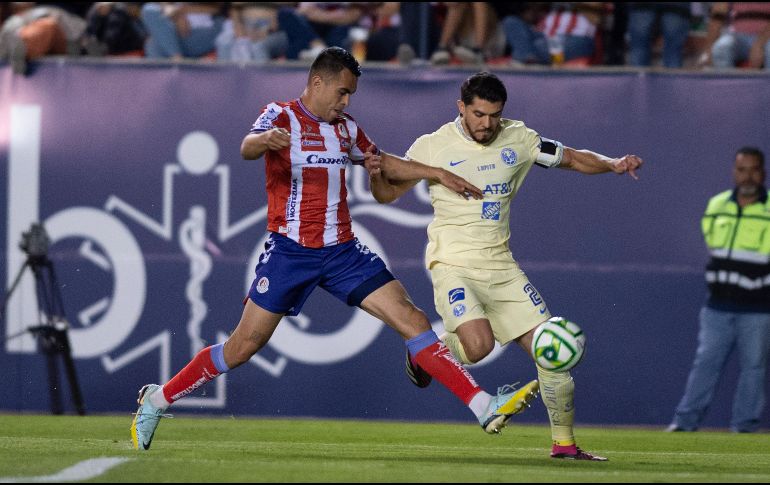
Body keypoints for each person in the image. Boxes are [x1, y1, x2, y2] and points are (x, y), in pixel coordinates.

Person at [131, 48, 541, 451]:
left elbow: (382, 162)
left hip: (343, 252)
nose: (346, 102)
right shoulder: (282, 115)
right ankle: (157, 399)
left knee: (413, 320)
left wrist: (436, 173)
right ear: (317, 82)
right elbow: (246, 147)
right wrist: (266, 140)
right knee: (242, 347)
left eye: (351, 96)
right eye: (342, 93)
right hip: (290, 253)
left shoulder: (345, 128)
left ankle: (483, 405)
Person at [364, 72, 643, 461]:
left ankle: (564, 445)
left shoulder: (521, 138)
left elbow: (574, 158)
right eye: (479, 114)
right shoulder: (431, 146)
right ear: (461, 108)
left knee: (551, 352)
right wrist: (376, 175)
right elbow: (386, 194)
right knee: (478, 348)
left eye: (495, 115)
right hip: (453, 264)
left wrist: (612, 163)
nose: (487, 124)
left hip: (502, 267)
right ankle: (423, 352)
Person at [667, 147, 770, 433]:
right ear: (734, 172)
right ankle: (685, 423)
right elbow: (713, 247)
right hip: (718, 306)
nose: (747, 176)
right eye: (742, 169)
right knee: (705, 365)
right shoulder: (716, 205)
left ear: (763, 172)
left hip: (759, 308)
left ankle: (744, 428)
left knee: (754, 369)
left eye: (754, 169)